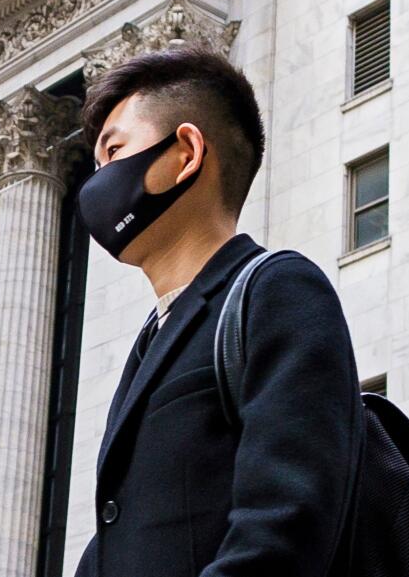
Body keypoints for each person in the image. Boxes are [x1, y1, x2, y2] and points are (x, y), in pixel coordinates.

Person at [73, 45, 364, 577]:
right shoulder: (152, 340)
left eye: (113, 154)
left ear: (186, 151)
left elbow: (283, 529)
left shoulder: (278, 290)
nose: (97, 185)